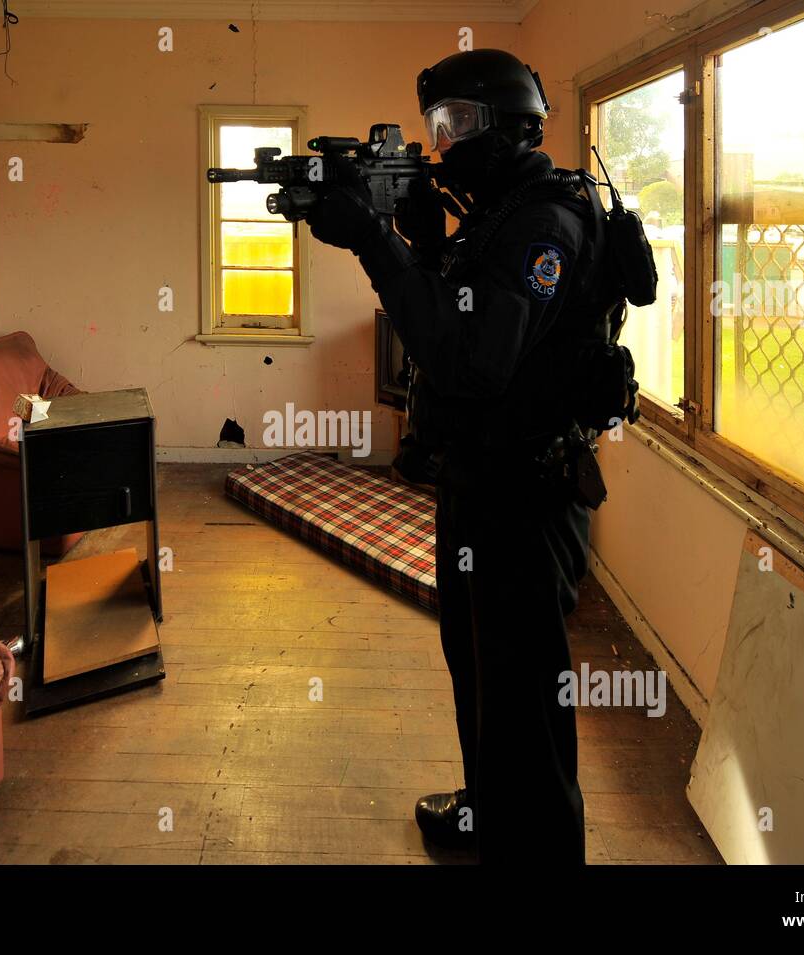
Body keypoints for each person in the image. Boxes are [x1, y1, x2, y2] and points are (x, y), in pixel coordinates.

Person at [303, 48, 642, 865]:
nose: (444, 140)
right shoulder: (499, 214)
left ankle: (541, 849)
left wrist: (376, 244)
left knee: (525, 695)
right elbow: (449, 316)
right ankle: (491, 813)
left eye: (459, 122)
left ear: (510, 125)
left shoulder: (545, 224)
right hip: (480, 482)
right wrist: (417, 245)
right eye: (436, 124)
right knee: (479, 669)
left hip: (527, 494)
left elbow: (470, 363)